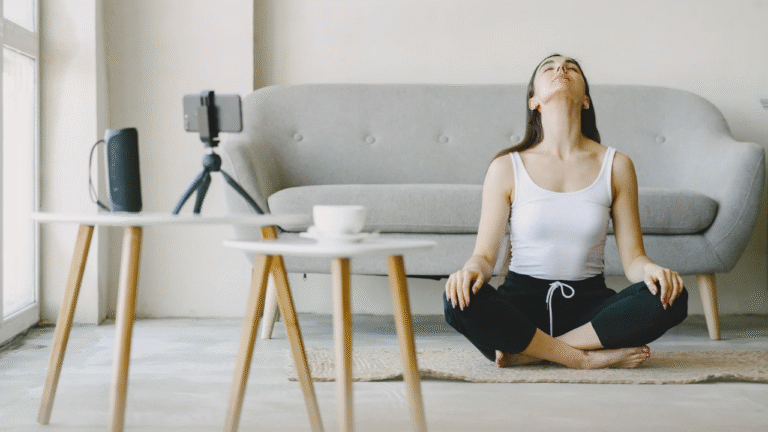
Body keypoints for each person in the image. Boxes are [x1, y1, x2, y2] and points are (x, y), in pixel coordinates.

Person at [443, 54, 688, 370]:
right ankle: (580, 357)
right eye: (549, 68)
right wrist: (469, 272)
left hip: (589, 309)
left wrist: (652, 270)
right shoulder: (506, 167)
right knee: (456, 299)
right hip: (519, 306)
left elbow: (633, 260)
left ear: (586, 99)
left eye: (571, 67)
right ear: (534, 101)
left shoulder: (617, 165)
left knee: (673, 295)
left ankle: (531, 352)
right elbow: (484, 257)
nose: (561, 69)